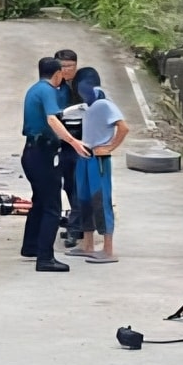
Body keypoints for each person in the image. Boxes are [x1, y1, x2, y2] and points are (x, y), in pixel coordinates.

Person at [21, 57, 89, 272]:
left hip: (31, 152)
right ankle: (45, 258)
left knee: (40, 201)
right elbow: (52, 119)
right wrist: (74, 141)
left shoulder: (34, 89)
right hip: (43, 153)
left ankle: (31, 246)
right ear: (57, 74)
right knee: (52, 207)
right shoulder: (48, 90)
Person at [67, 75, 128, 263]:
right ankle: (88, 244)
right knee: (83, 199)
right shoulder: (88, 106)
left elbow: (123, 127)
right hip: (84, 155)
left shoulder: (104, 104)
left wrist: (110, 147)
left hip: (98, 159)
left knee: (100, 200)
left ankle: (108, 250)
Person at [53, 50, 84, 248]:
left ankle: (75, 228)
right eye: (62, 66)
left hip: (81, 143)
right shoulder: (55, 87)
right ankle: (77, 223)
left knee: (78, 187)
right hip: (63, 144)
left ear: (76, 66)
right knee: (69, 186)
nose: (65, 70)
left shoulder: (83, 87)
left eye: (69, 66)